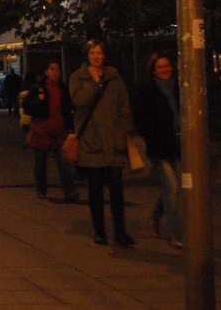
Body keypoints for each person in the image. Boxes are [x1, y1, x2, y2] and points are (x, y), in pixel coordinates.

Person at [69, 39, 136, 247]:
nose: (96, 57)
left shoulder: (114, 78)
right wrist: (95, 83)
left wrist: (124, 129)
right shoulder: (78, 77)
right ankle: (100, 231)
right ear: (87, 56)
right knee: (95, 189)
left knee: (116, 190)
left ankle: (120, 231)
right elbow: (79, 100)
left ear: (104, 55)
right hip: (92, 142)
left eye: (99, 53)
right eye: (92, 53)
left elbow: (124, 106)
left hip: (113, 141)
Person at [131, 53, 182, 249]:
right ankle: (175, 233)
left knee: (173, 188)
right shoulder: (148, 91)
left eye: (167, 65)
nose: (164, 70)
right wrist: (150, 135)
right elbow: (140, 118)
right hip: (159, 146)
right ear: (153, 71)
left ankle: (155, 218)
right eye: (160, 67)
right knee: (172, 188)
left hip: (178, 144)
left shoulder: (179, 87)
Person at [22, 60, 78, 201]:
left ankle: (70, 191)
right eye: (52, 69)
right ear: (47, 71)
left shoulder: (63, 88)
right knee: (41, 162)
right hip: (42, 130)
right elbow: (27, 106)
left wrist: (69, 124)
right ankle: (41, 188)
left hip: (59, 130)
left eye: (57, 69)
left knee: (64, 162)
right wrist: (39, 101)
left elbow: (67, 108)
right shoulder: (39, 88)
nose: (55, 72)